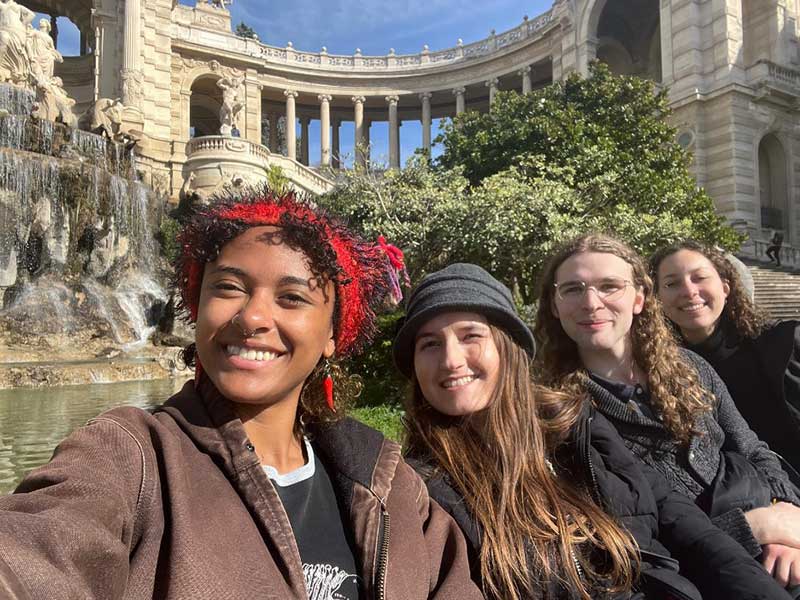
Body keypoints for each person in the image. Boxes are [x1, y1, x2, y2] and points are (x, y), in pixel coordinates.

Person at [0, 190, 482, 600]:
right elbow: (33, 548)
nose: (252, 318)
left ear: (333, 334)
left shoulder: (389, 482)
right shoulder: (128, 459)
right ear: (198, 305)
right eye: (229, 288)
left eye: (292, 298)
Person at [392, 262, 792, 600]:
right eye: (429, 345)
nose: (451, 360)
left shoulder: (576, 424)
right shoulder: (418, 488)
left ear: (508, 349)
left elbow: (685, 529)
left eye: (470, 336)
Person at [535, 233, 800, 593]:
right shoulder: (554, 412)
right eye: (572, 289)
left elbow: (753, 449)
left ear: (640, 298)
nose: (591, 302)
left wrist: (786, 516)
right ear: (554, 304)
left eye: (609, 286)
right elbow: (619, 542)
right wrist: (751, 529)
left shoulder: (691, 366)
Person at [650, 240, 800, 480]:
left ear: (725, 288)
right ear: (656, 298)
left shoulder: (784, 344)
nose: (688, 291)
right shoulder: (658, 369)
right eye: (671, 283)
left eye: (699, 278)